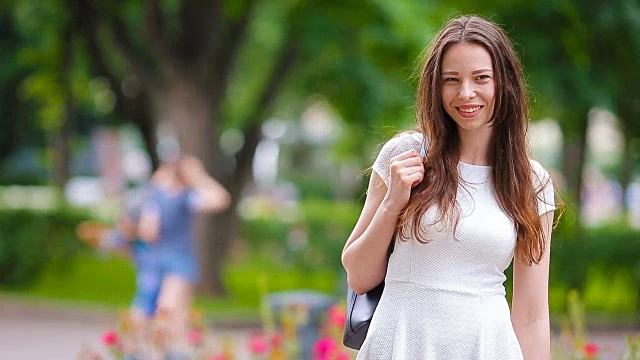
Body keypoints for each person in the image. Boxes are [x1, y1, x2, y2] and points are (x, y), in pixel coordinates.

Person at [341, 15, 559, 359]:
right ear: (436, 87)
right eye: (451, 80)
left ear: (505, 83)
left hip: (485, 347)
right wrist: (392, 204)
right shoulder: (405, 156)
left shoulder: (531, 183)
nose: (466, 93)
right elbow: (358, 275)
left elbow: (532, 315)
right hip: (401, 342)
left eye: (481, 78)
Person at [137, 154, 230, 356]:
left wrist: (198, 178)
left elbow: (220, 199)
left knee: (170, 309)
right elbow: (148, 232)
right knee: (173, 312)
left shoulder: (185, 197)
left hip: (176, 263)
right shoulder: (163, 198)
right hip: (165, 261)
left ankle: (173, 352)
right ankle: (174, 351)